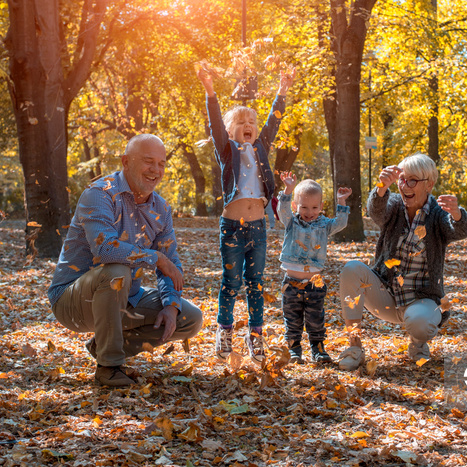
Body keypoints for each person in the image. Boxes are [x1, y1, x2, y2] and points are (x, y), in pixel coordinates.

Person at [48, 134, 203, 387]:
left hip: (125, 298)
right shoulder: (99, 194)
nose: (155, 170)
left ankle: (103, 345)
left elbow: (171, 263)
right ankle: (109, 368)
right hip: (73, 300)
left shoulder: (161, 209)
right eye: (148, 161)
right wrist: (157, 258)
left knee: (189, 318)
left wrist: (171, 306)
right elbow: (105, 249)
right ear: (125, 161)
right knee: (117, 271)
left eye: (161, 163)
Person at [337, 153, 467, 371]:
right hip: (386, 295)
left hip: (421, 300)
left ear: (429, 184)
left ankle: (418, 344)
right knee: (351, 269)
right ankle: (354, 348)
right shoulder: (394, 206)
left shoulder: (437, 215)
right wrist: (381, 187)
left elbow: (460, 230)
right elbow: (376, 211)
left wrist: (457, 213)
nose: (405, 186)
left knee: (420, 324)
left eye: (412, 181)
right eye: (402, 179)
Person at [197, 65, 295, 365]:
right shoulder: (227, 151)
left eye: (251, 120)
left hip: (257, 227)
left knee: (256, 282)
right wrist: (210, 90)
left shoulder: (261, 148)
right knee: (231, 281)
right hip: (232, 227)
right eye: (240, 122)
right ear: (230, 131)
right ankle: (224, 331)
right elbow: (214, 123)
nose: (248, 124)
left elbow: (273, 122)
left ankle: (255, 336)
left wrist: (283, 89)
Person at [277, 172, 351, 363]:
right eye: (304, 207)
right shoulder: (291, 222)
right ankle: (294, 349)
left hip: (314, 283)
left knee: (315, 318)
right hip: (291, 283)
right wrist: (288, 190)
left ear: (321, 207)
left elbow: (341, 223)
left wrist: (342, 202)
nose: (309, 212)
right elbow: (282, 210)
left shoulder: (324, 225)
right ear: (296, 206)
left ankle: (318, 349)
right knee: (292, 318)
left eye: (314, 207)